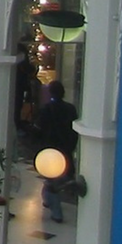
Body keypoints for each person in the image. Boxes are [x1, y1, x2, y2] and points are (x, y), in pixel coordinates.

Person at [36, 80, 79, 223]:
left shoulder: (47, 109)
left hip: (51, 149)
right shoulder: (70, 109)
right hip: (65, 149)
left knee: (51, 179)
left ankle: (56, 210)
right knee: (56, 178)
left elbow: (40, 129)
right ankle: (49, 199)